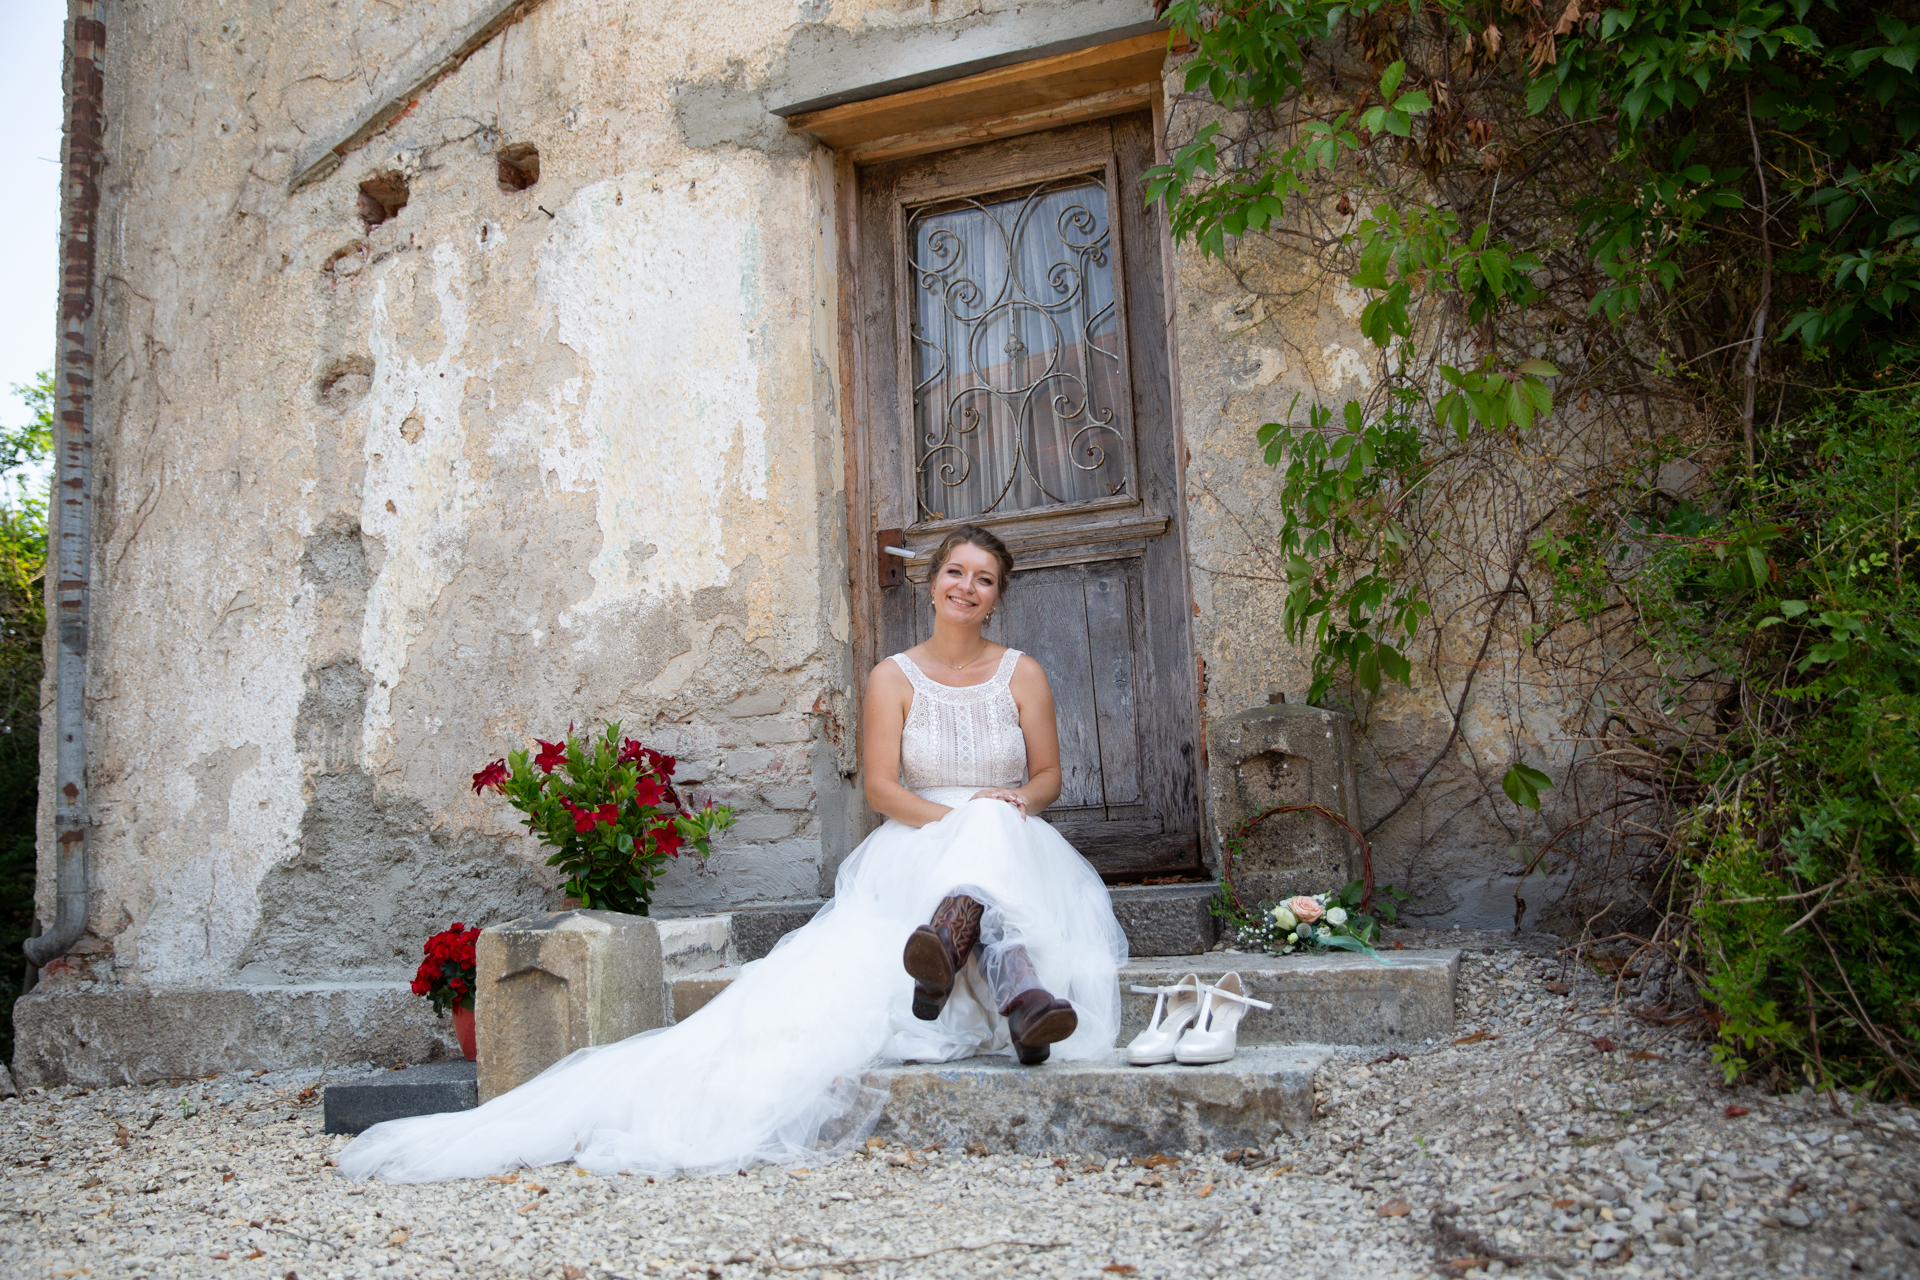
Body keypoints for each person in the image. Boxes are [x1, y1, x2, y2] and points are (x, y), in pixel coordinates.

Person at [337, 525, 1129, 1182]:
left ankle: (954, 939)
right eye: (954, 571)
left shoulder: (1023, 673)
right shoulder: (892, 678)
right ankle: (1018, 989)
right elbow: (883, 791)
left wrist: (1013, 804)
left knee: (991, 829)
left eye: (983, 578)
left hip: (1009, 829)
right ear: (930, 585)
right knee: (978, 837)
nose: (966, 587)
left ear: (999, 595)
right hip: (920, 837)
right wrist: (962, 823)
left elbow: (1048, 775)